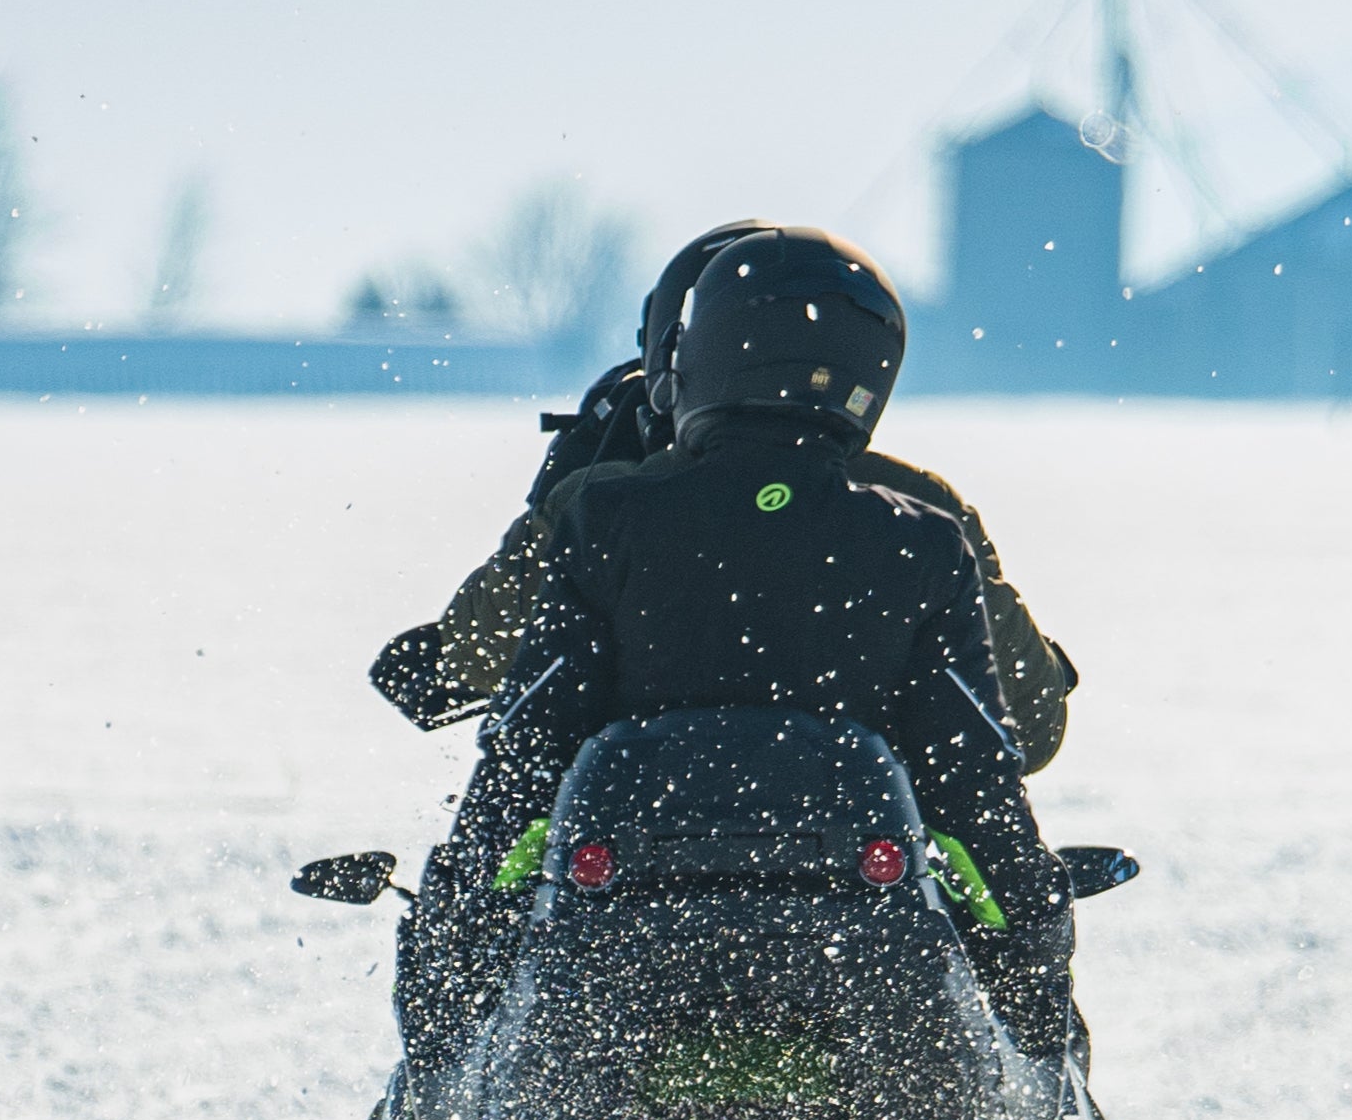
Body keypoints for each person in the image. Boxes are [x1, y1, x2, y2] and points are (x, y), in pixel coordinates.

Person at [397, 227, 1079, 1058]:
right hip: (865, 911)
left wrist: (449, 961)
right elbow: (1003, 749)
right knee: (1033, 1015)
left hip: (623, 910)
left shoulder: (605, 507)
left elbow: (516, 732)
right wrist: (1034, 963)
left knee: (459, 1003)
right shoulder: (919, 526)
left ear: (690, 357)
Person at [367, 224, 1081, 770]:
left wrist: (567, 491)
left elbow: (474, 660)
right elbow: (1029, 726)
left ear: (684, 354)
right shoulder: (918, 510)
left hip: (627, 852)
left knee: (476, 895)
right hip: (858, 863)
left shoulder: (606, 501)